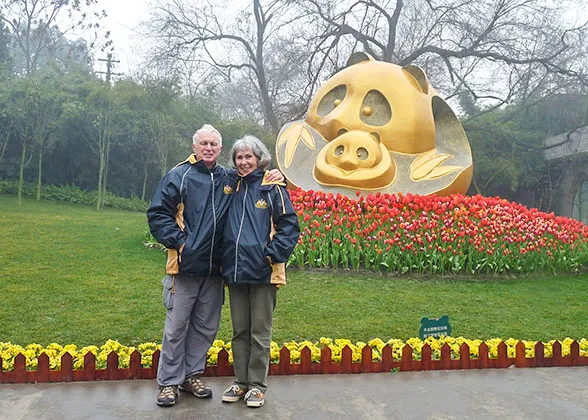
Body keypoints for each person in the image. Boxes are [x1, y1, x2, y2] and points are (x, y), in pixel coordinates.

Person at [147, 125, 283, 407]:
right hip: (184, 267)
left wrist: (277, 175)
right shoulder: (179, 175)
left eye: (214, 145)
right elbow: (158, 213)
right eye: (204, 143)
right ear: (195, 146)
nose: (208, 148)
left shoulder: (227, 177)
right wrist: (180, 242)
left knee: (205, 327)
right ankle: (169, 383)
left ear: (221, 151)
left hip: (216, 271)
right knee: (176, 327)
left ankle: (191, 375)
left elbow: (254, 174)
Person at [220, 136, 300, 408]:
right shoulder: (230, 184)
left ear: (259, 158)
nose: (243, 162)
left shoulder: (272, 186)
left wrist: (271, 255)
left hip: (262, 271)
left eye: (248, 157)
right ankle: (240, 382)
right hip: (234, 269)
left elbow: (289, 225)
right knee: (240, 330)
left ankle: (257, 385)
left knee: (259, 332)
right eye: (239, 158)